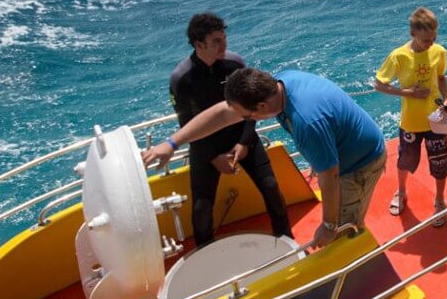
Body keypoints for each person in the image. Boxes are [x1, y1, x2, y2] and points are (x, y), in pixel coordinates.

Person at [144, 67, 387, 248]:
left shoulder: (306, 122)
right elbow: (221, 115)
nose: (243, 120)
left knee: (343, 233)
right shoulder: (280, 83)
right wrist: (172, 142)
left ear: (261, 107)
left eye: (246, 116)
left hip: (358, 166)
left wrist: (329, 226)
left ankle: (359, 281)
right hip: (337, 152)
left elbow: (330, 177)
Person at [169, 13, 291, 246]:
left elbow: (252, 105)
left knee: (271, 187)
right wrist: (214, 158)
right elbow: (187, 126)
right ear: (198, 44)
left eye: (224, 38)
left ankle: (286, 238)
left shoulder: (234, 64)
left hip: (242, 139)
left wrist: (243, 143)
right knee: (202, 208)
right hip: (206, 148)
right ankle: (206, 254)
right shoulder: (181, 78)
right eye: (216, 41)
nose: (224, 45)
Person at [373, 7, 447, 226]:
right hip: (411, 122)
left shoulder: (439, 51)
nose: (431, 43)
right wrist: (406, 93)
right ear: (413, 34)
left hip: (436, 119)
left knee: (440, 162)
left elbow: (442, 78)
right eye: (427, 39)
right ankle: (401, 191)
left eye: (434, 37)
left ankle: (439, 201)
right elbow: (379, 84)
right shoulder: (399, 56)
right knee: (405, 161)